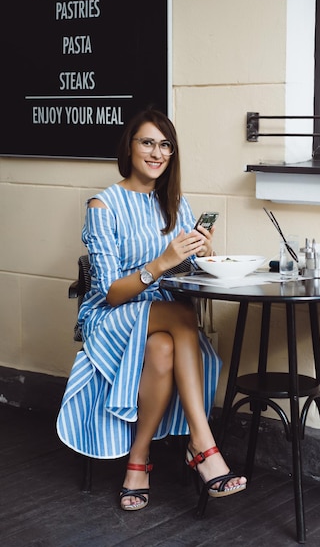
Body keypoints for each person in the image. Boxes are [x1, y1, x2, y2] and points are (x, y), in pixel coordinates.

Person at [56, 108, 247, 511]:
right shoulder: (102, 206)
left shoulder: (175, 203)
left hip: (157, 319)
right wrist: (161, 262)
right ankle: (203, 443)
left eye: (165, 145)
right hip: (110, 318)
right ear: (129, 147)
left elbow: (188, 270)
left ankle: (138, 462)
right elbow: (109, 292)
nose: (157, 152)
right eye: (147, 142)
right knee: (181, 317)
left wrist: (202, 252)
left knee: (163, 348)